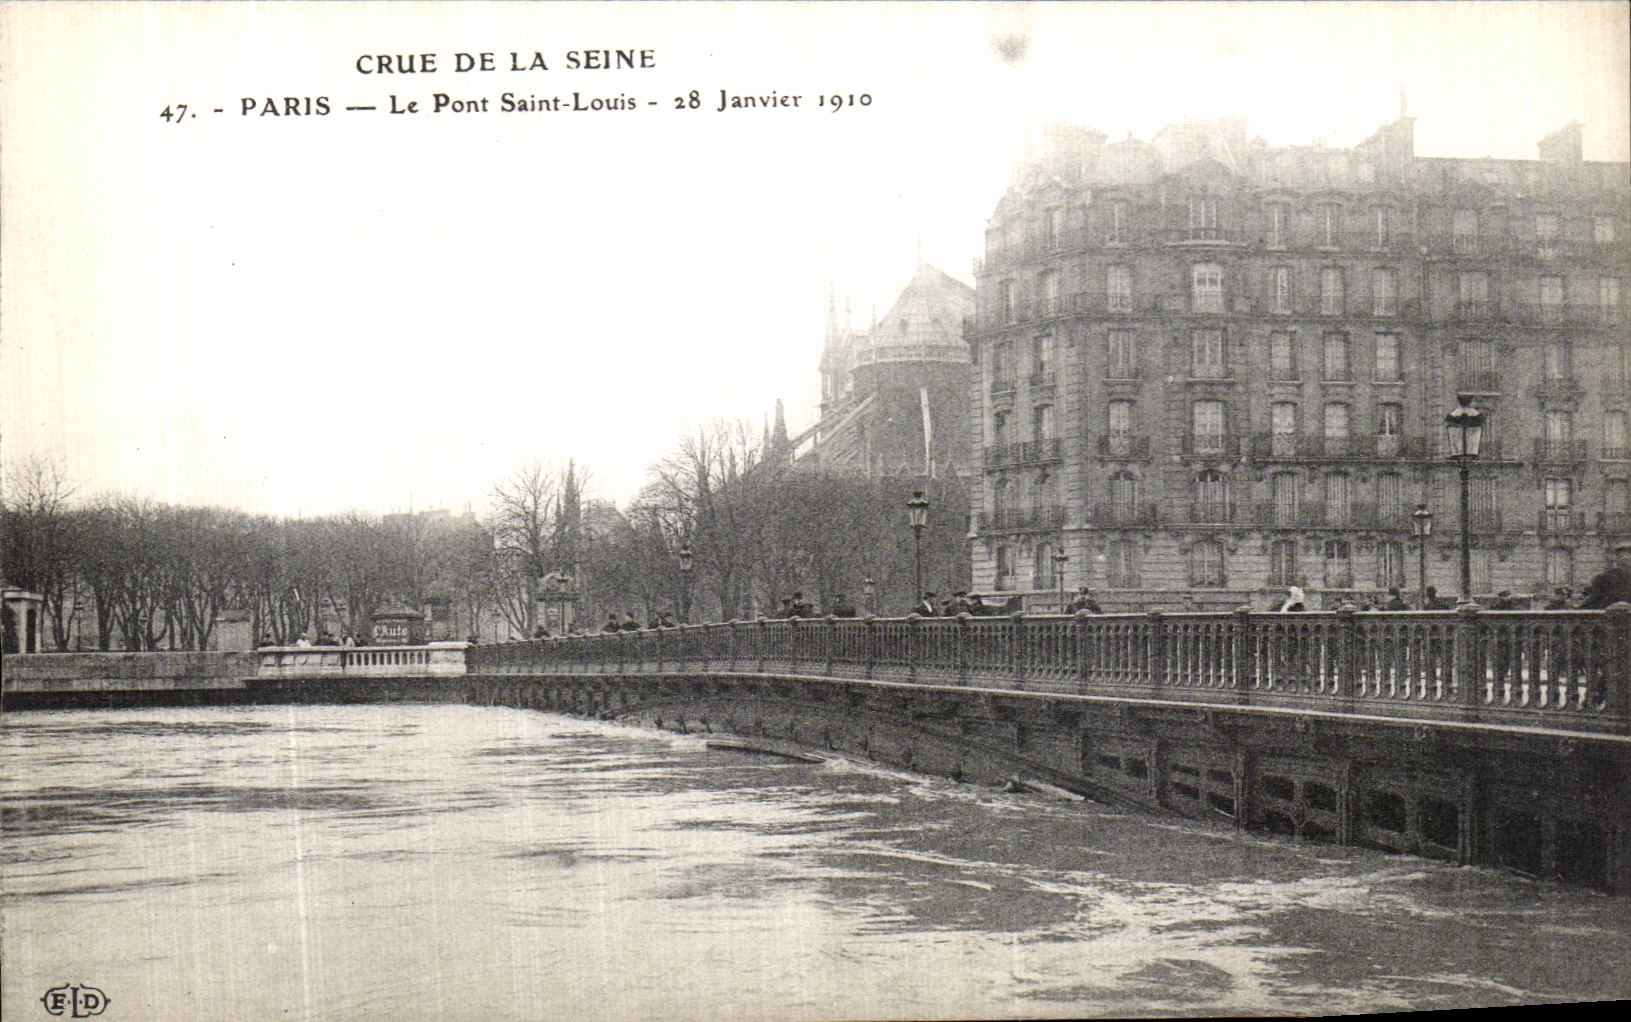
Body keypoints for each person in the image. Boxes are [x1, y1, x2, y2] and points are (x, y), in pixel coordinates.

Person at [1579, 542, 1631, 609]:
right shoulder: (1605, 578)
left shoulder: (1604, 577)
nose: (1626, 558)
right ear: (1617, 559)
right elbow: (1594, 601)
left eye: (1628, 555)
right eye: (1621, 556)